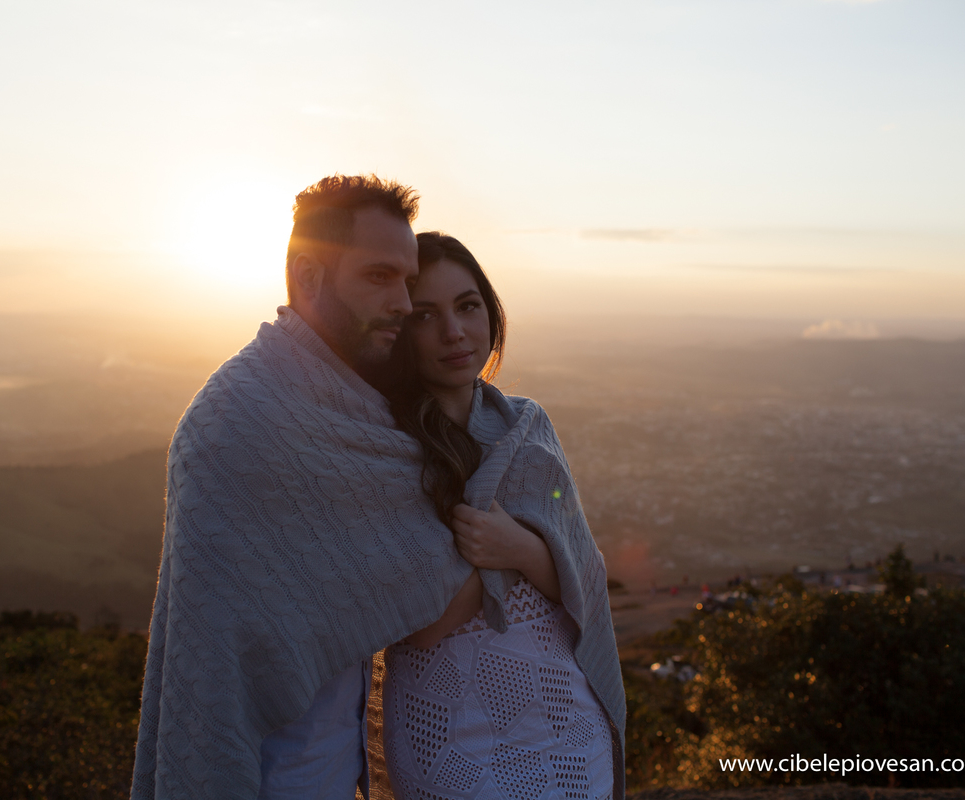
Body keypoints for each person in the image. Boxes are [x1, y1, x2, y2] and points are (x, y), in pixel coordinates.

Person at [133, 175, 479, 799]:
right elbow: (218, 666)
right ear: (309, 276)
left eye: (406, 280)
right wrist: (519, 549)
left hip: (337, 769)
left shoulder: (357, 405)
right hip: (268, 778)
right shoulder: (237, 418)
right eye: (379, 276)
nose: (403, 302)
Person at [380, 233, 625, 799]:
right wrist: (507, 560)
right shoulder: (383, 446)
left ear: (490, 311)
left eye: (468, 306)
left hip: (565, 715)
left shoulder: (528, 427)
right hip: (447, 725)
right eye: (425, 315)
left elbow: (584, 574)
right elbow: (421, 624)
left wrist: (519, 549)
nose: (454, 331)